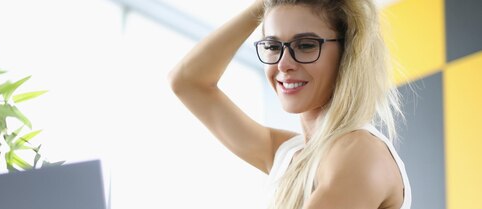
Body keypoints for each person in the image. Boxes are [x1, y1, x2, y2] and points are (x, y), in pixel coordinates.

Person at [168, 0, 412, 208]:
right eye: (273, 46)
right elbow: (188, 82)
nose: (284, 64)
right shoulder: (288, 155)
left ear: (348, 52)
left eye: (305, 45)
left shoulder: (359, 151)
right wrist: (264, 4)